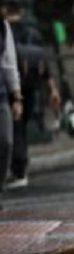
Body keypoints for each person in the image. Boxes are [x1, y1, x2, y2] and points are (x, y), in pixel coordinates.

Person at [4, 0, 61, 188]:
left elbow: (8, 62)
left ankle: (19, 169)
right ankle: (20, 166)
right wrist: (52, 88)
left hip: (11, 87)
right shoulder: (33, 33)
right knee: (21, 126)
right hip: (31, 86)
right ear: (21, 10)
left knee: (16, 128)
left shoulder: (6, 30)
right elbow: (43, 63)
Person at [0, 16, 24, 209]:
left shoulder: (2, 24)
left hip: (0, 94)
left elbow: (9, 62)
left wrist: (16, 97)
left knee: (6, 141)